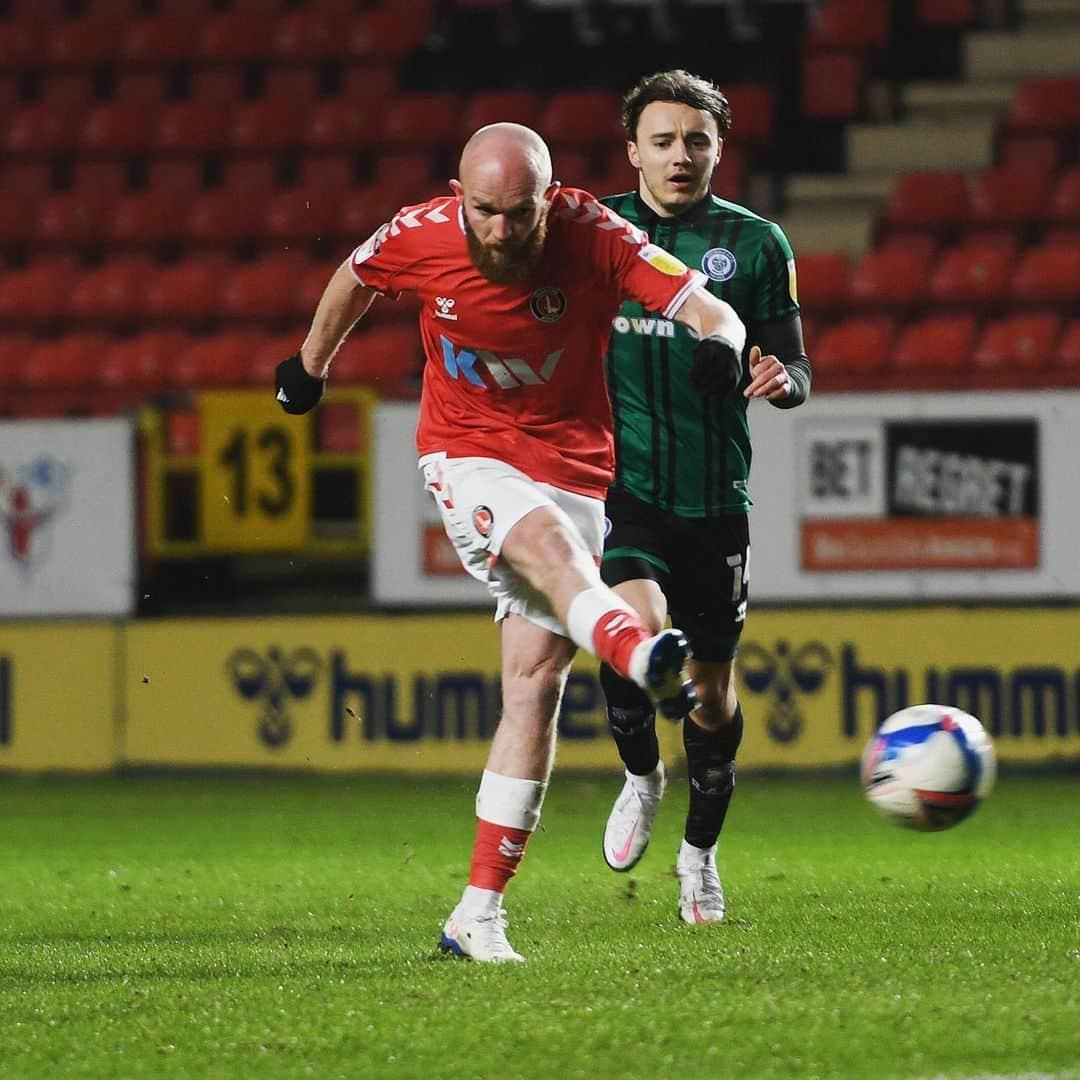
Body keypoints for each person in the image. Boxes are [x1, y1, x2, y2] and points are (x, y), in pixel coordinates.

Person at [274, 122, 749, 963]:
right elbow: (357, 273)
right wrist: (310, 367)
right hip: (467, 455)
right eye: (485, 213)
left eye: (519, 213)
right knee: (555, 554)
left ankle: (476, 915)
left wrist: (718, 342)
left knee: (532, 687)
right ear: (461, 199)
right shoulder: (421, 233)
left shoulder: (593, 234)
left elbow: (706, 306)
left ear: (550, 198)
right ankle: (639, 658)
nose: (501, 232)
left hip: (576, 468)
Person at [596, 70, 812, 924]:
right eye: (662, 140)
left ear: (719, 148)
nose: (679, 156)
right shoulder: (596, 233)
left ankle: (699, 857)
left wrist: (779, 379)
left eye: (696, 140)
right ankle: (641, 777)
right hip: (621, 486)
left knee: (714, 695)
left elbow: (797, 367)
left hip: (715, 494)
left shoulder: (757, 244)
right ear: (633, 151)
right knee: (636, 636)